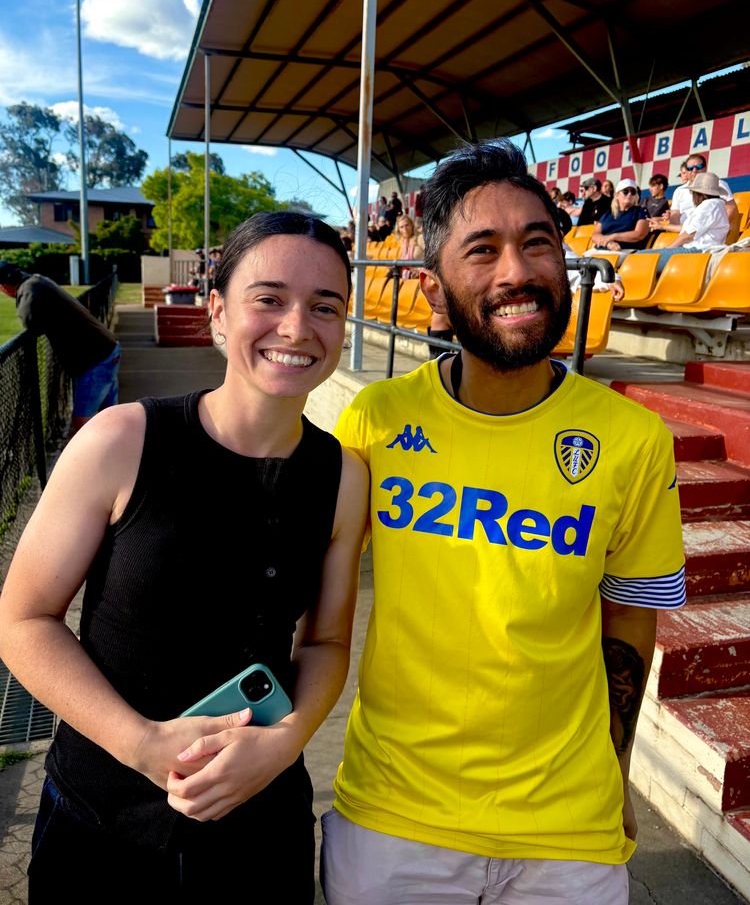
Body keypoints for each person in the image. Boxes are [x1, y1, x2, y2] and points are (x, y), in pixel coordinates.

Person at [321, 140, 685, 905]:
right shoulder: (377, 419)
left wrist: (615, 773)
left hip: (569, 834)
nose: (516, 271)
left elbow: (629, 617)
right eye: (482, 250)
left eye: (537, 242)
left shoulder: (633, 439)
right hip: (395, 815)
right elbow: (305, 592)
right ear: (432, 290)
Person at [0, 213, 368, 903]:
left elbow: (326, 640)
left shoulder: (343, 477)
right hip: (100, 822)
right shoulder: (122, 440)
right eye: (269, 299)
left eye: (326, 307)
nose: (297, 327)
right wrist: (139, 742)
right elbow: (21, 620)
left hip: (259, 826)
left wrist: (288, 741)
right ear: (219, 314)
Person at [0, 261, 120, 434]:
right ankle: (118, 453)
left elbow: (29, 320)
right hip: (106, 349)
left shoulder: (30, 287)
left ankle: (92, 458)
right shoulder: (37, 280)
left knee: (83, 421)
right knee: (110, 416)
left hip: (96, 359)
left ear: (4, 287)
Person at [639, 171, 730, 272]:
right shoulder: (716, 205)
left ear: (698, 193)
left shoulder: (709, 205)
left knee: (638, 258)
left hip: (697, 252)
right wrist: (662, 226)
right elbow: (689, 229)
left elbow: (688, 235)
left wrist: (668, 249)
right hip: (701, 251)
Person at [650, 153, 738, 233]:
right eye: (690, 168)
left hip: (709, 233)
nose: (694, 170)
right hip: (684, 233)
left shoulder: (718, 184)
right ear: (687, 171)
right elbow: (675, 215)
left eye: (699, 167)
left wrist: (715, 228)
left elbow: (731, 208)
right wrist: (678, 231)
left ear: (705, 168)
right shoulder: (679, 190)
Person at [591, 179, 650, 251]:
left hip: (625, 251)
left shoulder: (641, 211)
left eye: (633, 192)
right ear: (617, 195)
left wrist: (613, 236)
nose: (629, 194)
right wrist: (609, 243)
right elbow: (595, 235)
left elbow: (639, 235)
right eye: (625, 191)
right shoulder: (608, 214)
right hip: (602, 249)